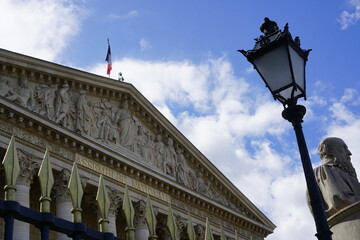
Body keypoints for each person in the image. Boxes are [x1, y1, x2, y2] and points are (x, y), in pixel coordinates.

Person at [313, 137, 360, 217]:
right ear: (330, 151)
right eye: (344, 148)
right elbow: (343, 200)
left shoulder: (341, 171)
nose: (349, 153)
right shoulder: (325, 171)